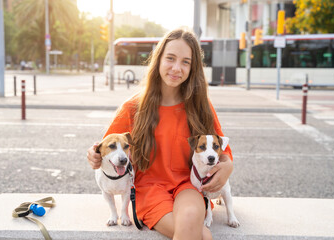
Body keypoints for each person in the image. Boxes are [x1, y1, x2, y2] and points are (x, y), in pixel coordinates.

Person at [87, 28, 233, 240]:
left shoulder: (201, 105)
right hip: (149, 189)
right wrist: (93, 155)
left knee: (194, 220)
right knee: (202, 235)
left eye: (186, 62)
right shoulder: (133, 107)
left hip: (189, 184)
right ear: (158, 60)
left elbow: (223, 150)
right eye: (170, 58)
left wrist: (228, 166)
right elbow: (105, 147)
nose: (176, 68)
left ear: (194, 68)